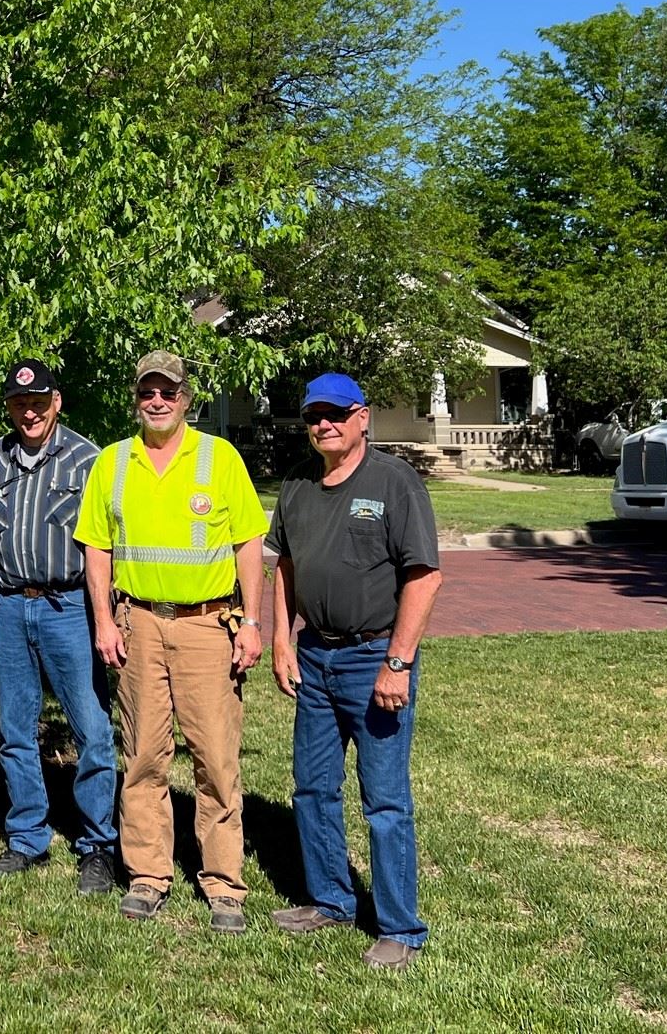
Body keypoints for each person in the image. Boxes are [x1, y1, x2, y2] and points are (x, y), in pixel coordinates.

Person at [74, 349, 267, 932]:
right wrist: (105, 621)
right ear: (136, 398)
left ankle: (224, 883)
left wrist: (253, 622)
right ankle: (148, 875)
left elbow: (250, 543)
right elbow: (96, 547)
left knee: (214, 757)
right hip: (138, 626)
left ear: (186, 399)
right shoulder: (112, 463)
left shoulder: (219, 457)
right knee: (143, 757)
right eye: (147, 392)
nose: (157, 402)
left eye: (168, 392)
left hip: (209, 627)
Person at [268, 372, 444, 970]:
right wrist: (282, 641)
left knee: (384, 800)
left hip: (375, 659)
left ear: (362, 416)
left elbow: (424, 576)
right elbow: (284, 566)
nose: (324, 424)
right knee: (313, 788)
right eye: (315, 414)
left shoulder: (395, 483)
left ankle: (400, 927)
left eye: (336, 414)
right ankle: (331, 902)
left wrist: (398, 662)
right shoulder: (296, 482)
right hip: (314, 655)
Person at [0, 358, 116, 893]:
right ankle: (28, 837)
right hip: (10, 605)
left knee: (92, 730)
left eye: (38, 402)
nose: (29, 412)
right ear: (10, 407)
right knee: (15, 728)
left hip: (70, 607)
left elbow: (107, 543)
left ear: (56, 401)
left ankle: (97, 844)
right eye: (19, 403)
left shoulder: (88, 460)